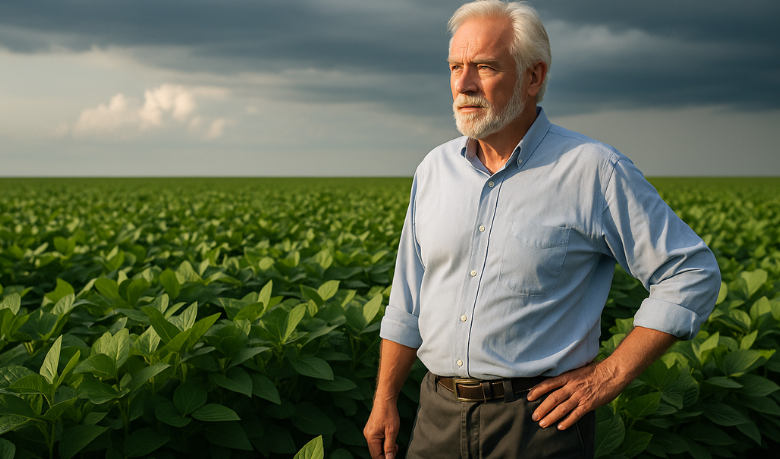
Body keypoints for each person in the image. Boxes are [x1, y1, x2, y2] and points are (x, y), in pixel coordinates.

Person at [363, 1, 721, 458]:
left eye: (485, 67)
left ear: (533, 77)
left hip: (537, 424)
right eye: (455, 66)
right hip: (436, 416)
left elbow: (690, 274)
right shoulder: (434, 170)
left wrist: (608, 376)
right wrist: (385, 399)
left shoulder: (593, 170)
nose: (463, 84)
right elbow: (406, 300)